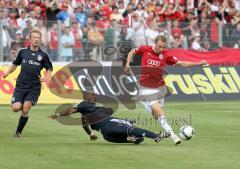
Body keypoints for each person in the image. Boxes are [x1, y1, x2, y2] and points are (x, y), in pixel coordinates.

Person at [124, 35, 208, 145]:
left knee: (157, 115)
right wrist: (127, 64)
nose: (162, 49)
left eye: (164, 47)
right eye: (160, 47)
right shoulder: (145, 49)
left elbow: (181, 63)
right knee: (158, 111)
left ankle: (147, 106)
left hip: (159, 88)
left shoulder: (166, 55)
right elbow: (132, 51)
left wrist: (198, 63)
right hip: (145, 88)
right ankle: (173, 135)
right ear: (155, 44)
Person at [48, 91, 170, 144]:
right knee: (132, 129)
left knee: (138, 139)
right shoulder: (84, 104)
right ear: (87, 97)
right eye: (92, 96)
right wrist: (58, 114)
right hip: (109, 124)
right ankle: (156, 136)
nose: (94, 97)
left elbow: (84, 124)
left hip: (107, 135)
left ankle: (131, 138)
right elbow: (70, 110)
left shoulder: (87, 113)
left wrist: (90, 134)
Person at [3, 30, 53, 137]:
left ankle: (18, 132)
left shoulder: (43, 55)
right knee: (16, 108)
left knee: (25, 108)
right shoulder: (22, 52)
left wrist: (46, 78)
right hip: (21, 85)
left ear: (40, 40)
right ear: (30, 39)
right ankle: (18, 103)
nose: (36, 39)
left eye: (38, 38)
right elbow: (15, 64)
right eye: (34, 37)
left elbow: (49, 68)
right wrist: (7, 72)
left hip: (34, 87)